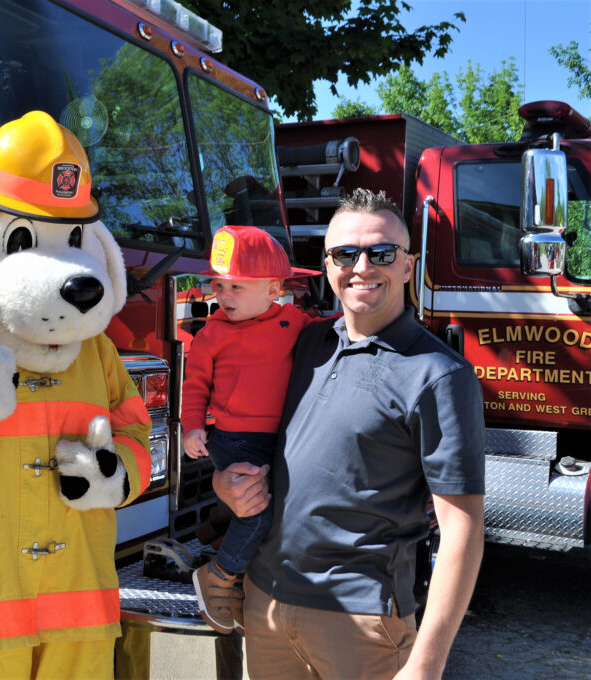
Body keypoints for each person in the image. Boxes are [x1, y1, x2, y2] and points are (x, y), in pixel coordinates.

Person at [216, 188, 485, 679]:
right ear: (326, 266)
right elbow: (253, 436)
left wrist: (427, 662)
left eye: (381, 252)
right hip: (266, 605)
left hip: (360, 623)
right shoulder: (304, 342)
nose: (362, 266)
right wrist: (223, 482)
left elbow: (462, 529)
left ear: (408, 266)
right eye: (345, 253)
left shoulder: (440, 376)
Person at [181, 225, 318, 635]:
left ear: (274, 288)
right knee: (258, 513)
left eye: (236, 287)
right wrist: (191, 427)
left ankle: (229, 561)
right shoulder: (211, 335)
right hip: (233, 438)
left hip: (280, 440)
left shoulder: (295, 323)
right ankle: (219, 577)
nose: (223, 296)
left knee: (277, 513)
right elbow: (195, 386)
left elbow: (335, 331)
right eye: (219, 286)